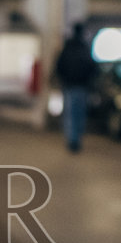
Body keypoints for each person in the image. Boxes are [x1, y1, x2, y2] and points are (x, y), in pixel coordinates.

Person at [53, 23, 96, 152]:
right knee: (79, 114)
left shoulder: (68, 47)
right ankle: (76, 139)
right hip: (82, 86)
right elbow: (92, 68)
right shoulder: (85, 48)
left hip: (69, 86)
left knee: (70, 114)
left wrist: (63, 79)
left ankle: (72, 140)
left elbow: (59, 65)